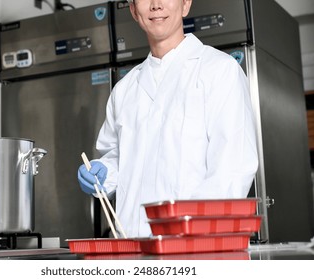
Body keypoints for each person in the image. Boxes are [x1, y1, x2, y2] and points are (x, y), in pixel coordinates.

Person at [77, 0, 258, 237]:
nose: (156, 5)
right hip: (130, 246)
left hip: (193, 247)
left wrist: (187, 231)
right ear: (133, 10)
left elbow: (233, 170)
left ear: (185, 4)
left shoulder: (220, 71)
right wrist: (103, 172)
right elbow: (119, 161)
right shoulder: (124, 90)